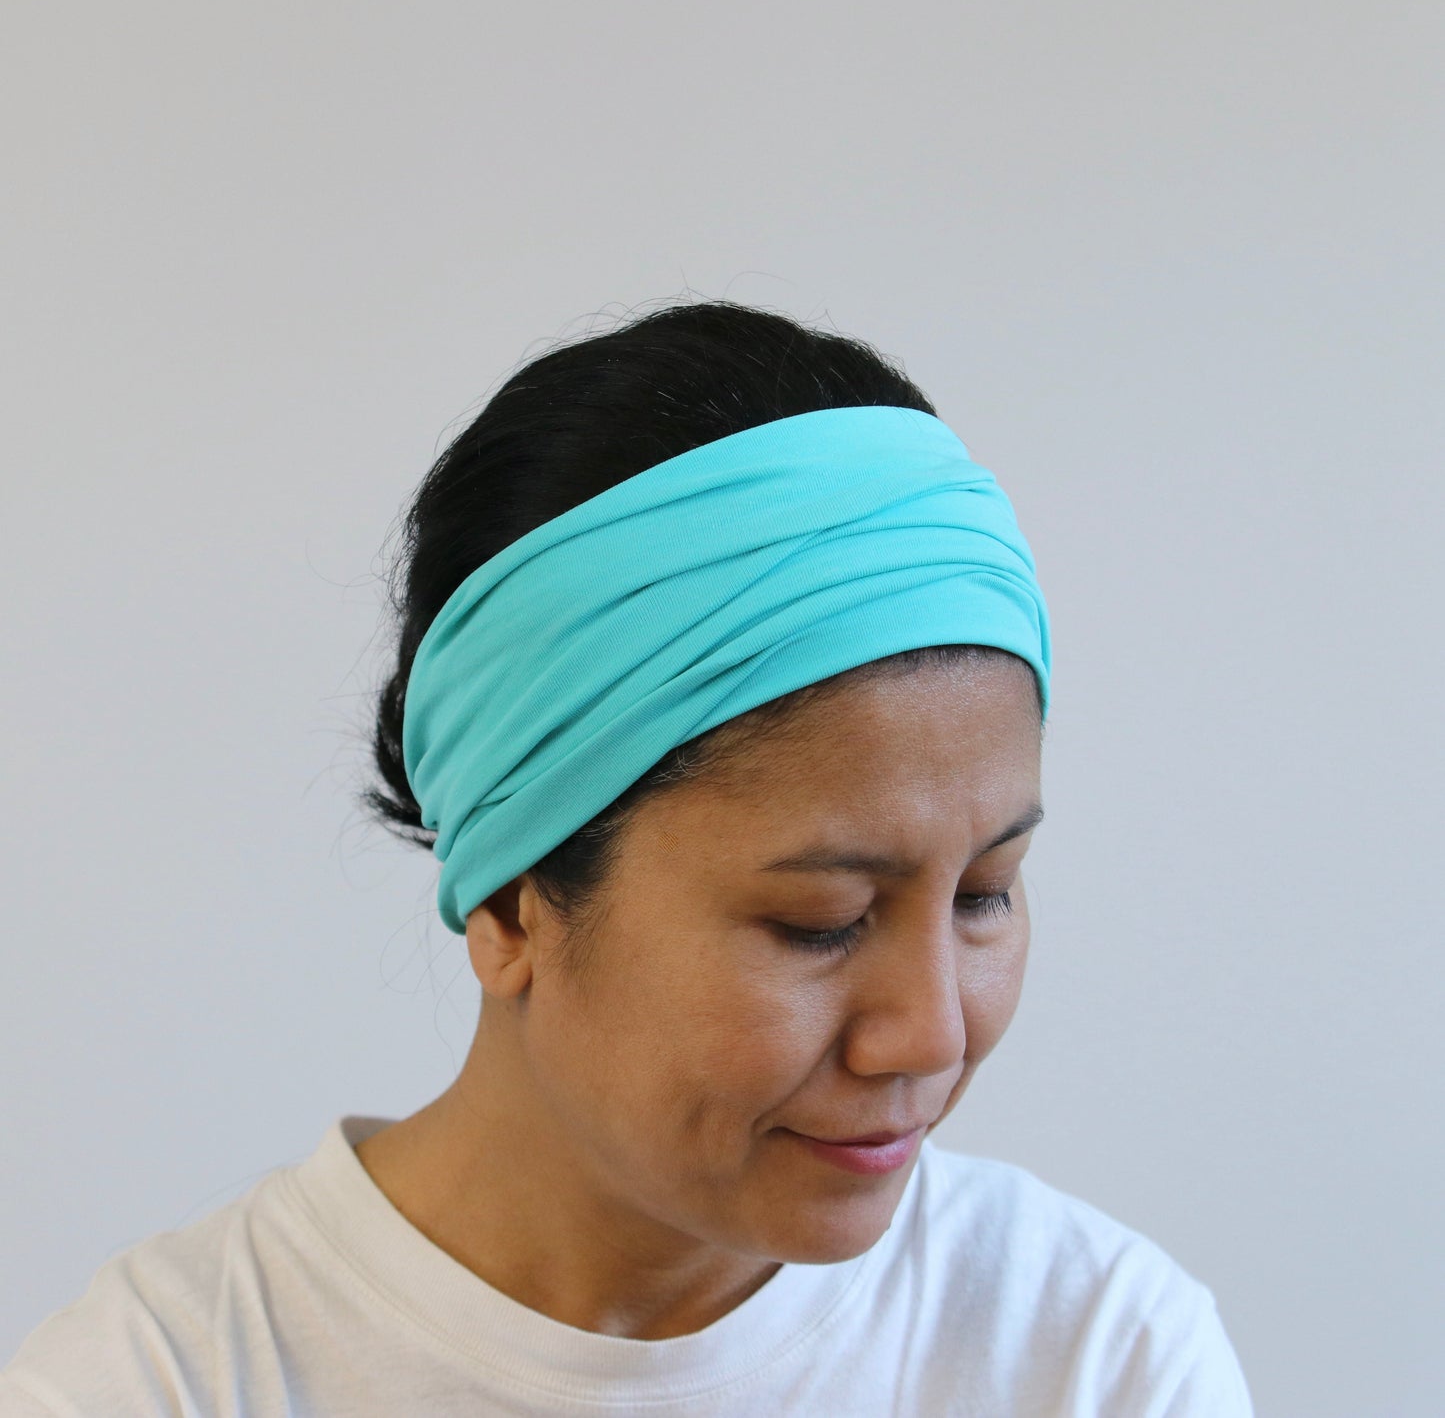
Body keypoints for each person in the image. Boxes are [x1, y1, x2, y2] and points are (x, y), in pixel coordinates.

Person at [0, 299, 1254, 1416]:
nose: (927, 1034)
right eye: (820, 918)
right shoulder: (161, 1384)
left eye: (985, 892)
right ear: (509, 898)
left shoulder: (1094, 1358)